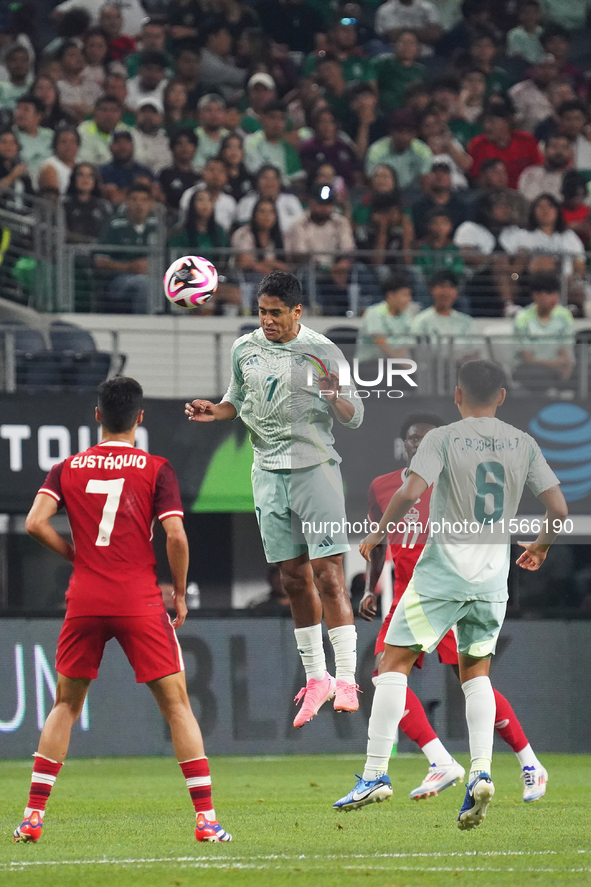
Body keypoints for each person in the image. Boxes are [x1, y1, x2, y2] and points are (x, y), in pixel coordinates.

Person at [334, 359, 567, 830]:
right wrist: (540, 547)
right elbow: (558, 508)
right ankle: (479, 770)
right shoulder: (524, 443)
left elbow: (409, 491)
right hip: (491, 579)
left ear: (458, 396)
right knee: (475, 674)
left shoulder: (442, 439)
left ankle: (376, 773)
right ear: (502, 396)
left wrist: (379, 534)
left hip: (441, 575)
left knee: (390, 664)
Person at [12, 377, 231, 844]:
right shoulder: (156, 468)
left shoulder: (66, 467)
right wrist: (177, 590)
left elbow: (34, 523)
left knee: (65, 705)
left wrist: (76, 555)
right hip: (137, 599)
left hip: (86, 599)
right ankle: (206, 820)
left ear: (97, 416)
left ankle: (32, 816)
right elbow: (175, 535)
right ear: (140, 418)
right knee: (176, 706)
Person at [185, 270, 363, 725]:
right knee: (293, 579)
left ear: (297, 312)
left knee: (329, 574)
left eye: (276, 313)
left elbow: (354, 416)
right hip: (267, 474)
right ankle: (317, 678)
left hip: (315, 470)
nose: (267, 320)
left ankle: (346, 678)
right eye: (262, 312)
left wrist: (334, 396)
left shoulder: (323, 352)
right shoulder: (244, 349)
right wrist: (215, 410)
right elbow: (236, 401)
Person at [358, 412, 551, 801]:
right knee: (385, 671)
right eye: (412, 438)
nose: (418, 444)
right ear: (405, 444)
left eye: (425, 438)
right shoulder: (383, 487)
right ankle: (440, 759)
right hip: (409, 596)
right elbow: (377, 542)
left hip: (451, 591)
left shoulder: (455, 484)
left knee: (471, 680)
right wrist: (370, 586)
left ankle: (529, 762)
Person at [285, 183, 356, 313]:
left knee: (359, 270)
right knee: (308, 272)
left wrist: (343, 263)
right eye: (320, 204)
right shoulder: (299, 224)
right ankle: (316, 310)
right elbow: (301, 255)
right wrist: (329, 268)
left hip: (337, 269)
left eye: (328, 204)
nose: (324, 208)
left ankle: (358, 310)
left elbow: (348, 249)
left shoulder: (340, 222)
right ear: (311, 203)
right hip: (312, 268)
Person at [95, 182, 157, 314]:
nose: (139, 204)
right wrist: (129, 267)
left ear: (151, 204)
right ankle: (146, 325)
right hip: (119, 280)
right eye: (134, 199)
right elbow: (100, 260)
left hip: (155, 276)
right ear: (127, 202)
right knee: (143, 284)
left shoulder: (158, 226)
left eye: (144, 200)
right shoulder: (115, 224)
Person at [513, 271, 575, 389]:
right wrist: (553, 365)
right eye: (550, 293)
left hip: (557, 368)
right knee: (536, 375)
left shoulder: (564, 315)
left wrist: (566, 369)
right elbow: (527, 358)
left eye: (557, 294)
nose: (555, 298)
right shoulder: (522, 318)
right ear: (536, 295)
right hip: (531, 369)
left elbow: (565, 351)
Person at [467, 100, 543, 189]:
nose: (487, 126)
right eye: (485, 122)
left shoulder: (526, 141)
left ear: (507, 122)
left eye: (492, 122)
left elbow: (539, 169)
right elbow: (474, 179)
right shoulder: (478, 145)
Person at [366, 109, 432, 192]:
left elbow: (425, 183)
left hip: (413, 195)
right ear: (391, 132)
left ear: (415, 134)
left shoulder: (423, 151)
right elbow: (370, 182)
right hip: (383, 194)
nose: (404, 137)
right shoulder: (376, 150)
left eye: (409, 132)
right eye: (399, 131)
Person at [355, 271, 415, 363]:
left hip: (394, 364)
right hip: (369, 364)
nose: (409, 299)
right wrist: (403, 364)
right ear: (390, 295)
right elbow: (380, 342)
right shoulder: (374, 313)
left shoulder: (407, 316)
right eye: (404, 295)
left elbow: (406, 345)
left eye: (409, 295)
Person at [244, 100, 304, 189]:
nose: (277, 123)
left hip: (284, 193)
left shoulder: (288, 148)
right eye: (272, 118)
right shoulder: (251, 142)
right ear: (263, 119)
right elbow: (254, 171)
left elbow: (296, 176)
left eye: (282, 119)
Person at [299, 107, 362, 188]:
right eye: (322, 122)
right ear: (315, 124)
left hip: (348, 192)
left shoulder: (345, 147)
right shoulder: (308, 148)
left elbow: (356, 172)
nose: (327, 126)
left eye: (330, 122)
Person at [231, 196, 288, 280]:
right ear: (254, 214)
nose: (267, 216)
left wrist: (267, 263)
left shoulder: (281, 237)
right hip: (245, 278)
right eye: (262, 211)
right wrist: (272, 264)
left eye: (271, 212)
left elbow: (287, 267)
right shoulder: (243, 233)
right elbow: (245, 263)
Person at [236, 164, 303, 233]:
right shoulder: (246, 202)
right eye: (265, 178)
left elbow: (300, 226)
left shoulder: (291, 200)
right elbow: (244, 230)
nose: (270, 183)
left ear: (279, 182)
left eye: (274, 178)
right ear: (257, 182)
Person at [371, 30, 425, 113]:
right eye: (403, 42)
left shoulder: (420, 71)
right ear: (395, 45)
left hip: (408, 114)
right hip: (382, 111)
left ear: (417, 48)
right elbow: (369, 79)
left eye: (411, 43)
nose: (407, 47)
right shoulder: (383, 62)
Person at [179, 157, 237, 232]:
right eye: (211, 170)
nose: (215, 175)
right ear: (203, 172)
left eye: (221, 171)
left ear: (227, 176)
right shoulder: (190, 194)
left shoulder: (229, 202)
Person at [411, 161, 466, 239]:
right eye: (435, 173)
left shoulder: (461, 207)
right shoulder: (418, 207)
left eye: (444, 173)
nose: (440, 176)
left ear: (450, 179)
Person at [411, 270, 475, 338]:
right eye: (442, 286)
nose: (446, 292)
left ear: (456, 292)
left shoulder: (466, 322)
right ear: (432, 290)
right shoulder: (421, 321)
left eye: (451, 287)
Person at [99, 131, 153, 205]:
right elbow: (113, 198)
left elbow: (156, 195)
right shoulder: (102, 171)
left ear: (132, 146)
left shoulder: (144, 171)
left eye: (126, 143)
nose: (123, 147)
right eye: (118, 143)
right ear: (111, 147)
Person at [508, 55, 558, 134]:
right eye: (542, 67)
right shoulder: (518, 91)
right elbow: (514, 122)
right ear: (532, 69)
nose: (547, 71)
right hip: (528, 138)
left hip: (556, 140)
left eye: (551, 67)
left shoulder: (563, 90)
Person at [62, 162, 111, 243]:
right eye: (81, 175)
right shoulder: (64, 205)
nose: (85, 179)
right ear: (74, 179)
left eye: (90, 175)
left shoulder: (104, 206)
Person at [56, 40, 103, 124]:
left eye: (79, 55)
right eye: (72, 55)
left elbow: (102, 107)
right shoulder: (57, 86)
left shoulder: (93, 86)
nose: (78, 58)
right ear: (60, 62)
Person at [517, 133, 574, 203]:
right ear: (545, 150)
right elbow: (523, 200)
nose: (559, 152)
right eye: (554, 147)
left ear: (570, 152)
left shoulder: (574, 178)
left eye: (564, 148)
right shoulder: (530, 174)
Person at [12, 95, 53, 188]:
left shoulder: (50, 135)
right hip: (26, 182)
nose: (19, 113)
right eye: (18, 109)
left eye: (25, 110)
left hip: (52, 180)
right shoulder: (10, 137)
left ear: (38, 116)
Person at [199, 19, 246, 100]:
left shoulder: (225, 57)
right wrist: (256, 71)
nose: (229, 40)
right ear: (212, 39)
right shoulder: (205, 60)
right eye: (225, 36)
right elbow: (240, 77)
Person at [374, 0, 443, 55]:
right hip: (393, 53)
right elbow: (393, 36)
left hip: (425, 53)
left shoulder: (428, 7)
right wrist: (422, 33)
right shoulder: (385, 9)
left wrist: (402, 31)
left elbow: (434, 35)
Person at [414, 209, 465, 278]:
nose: (440, 227)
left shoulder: (454, 249)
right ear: (429, 226)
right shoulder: (422, 249)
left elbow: (458, 270)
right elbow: (419, 270)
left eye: (444, 223)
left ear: (450, 226)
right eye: (436, 223)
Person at [77, 95, 125, 167]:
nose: (109, 115)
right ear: (94, 112)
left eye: (114, 110)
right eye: (104, 110)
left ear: (121, 115)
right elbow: (85, 161)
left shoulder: (125, 131)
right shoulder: (82, 131)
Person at [158, 129, 199, 211]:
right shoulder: (165, 175)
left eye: (189, 143)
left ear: (195, 148)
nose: (184, 147)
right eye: (179, 143)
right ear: (172, 148)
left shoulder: (199, 177)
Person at [130, 98, 173, 175]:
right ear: (136, 117)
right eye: (143, 112)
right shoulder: (129, 137)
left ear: (161, 118)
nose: (148, 116)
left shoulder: (167, 140)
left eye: (153, 112)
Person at [38, 127, 80, 196]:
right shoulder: (49, 167)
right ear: (55, 145)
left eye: (73, 142)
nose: (68, 146)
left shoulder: (81, 164)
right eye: (63, 142)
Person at [193, 94, 228, 171]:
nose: (214, 115)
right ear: (200, 114)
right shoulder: (193, 136)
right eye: (208, 110)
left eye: (218, 110)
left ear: (224, 114)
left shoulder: (229, 137)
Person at [218, 132, 252, 202]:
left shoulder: (249, 178)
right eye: (230, 147)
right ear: (223, 151)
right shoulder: (217, 177)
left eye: (238, 147)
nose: (234, 152)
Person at [0, 44, 33, 111]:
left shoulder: (35, 86)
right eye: (14, 60)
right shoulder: (1, 88)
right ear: (7, 63)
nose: (19, 64)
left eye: (24, 60)